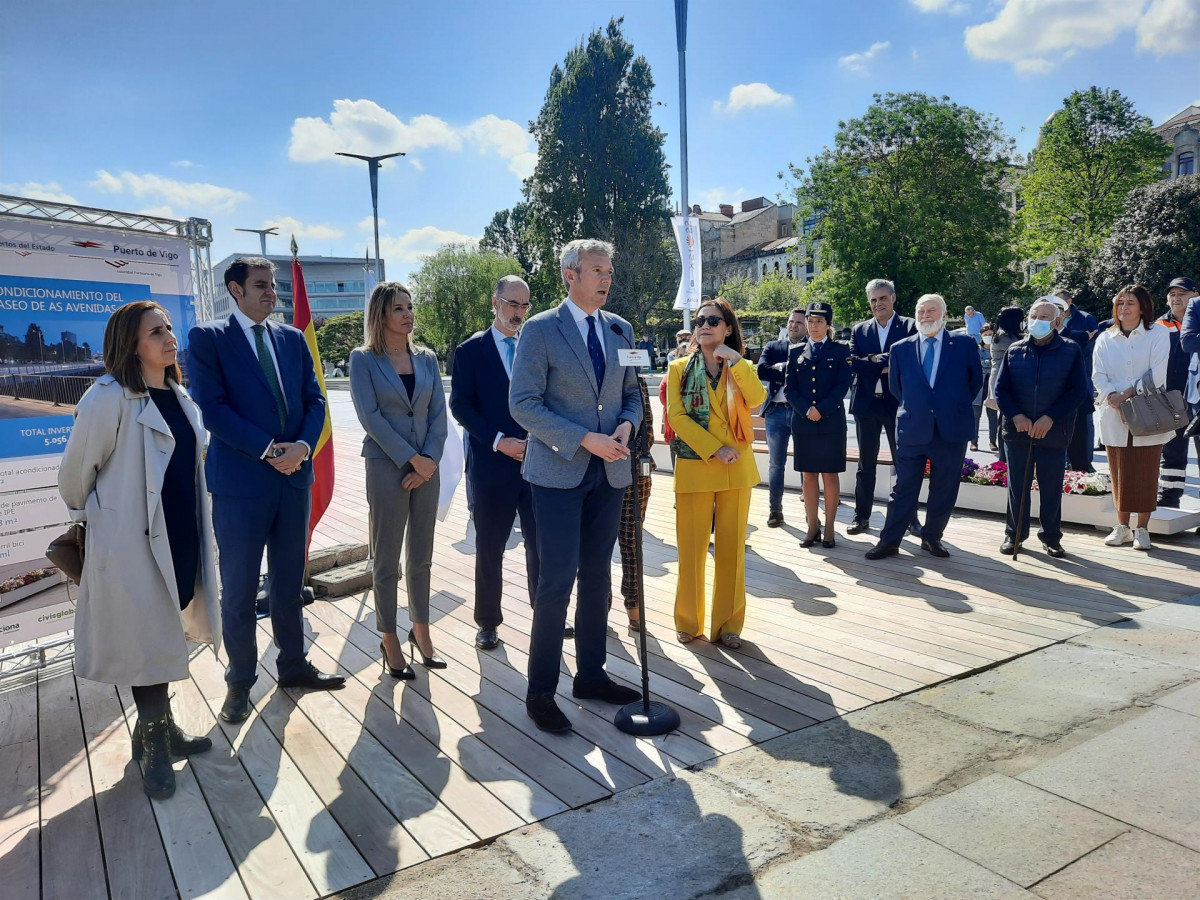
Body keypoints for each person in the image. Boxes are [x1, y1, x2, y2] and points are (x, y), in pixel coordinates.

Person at [59, 301, 220, 798]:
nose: (169, 337)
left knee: (163, 630)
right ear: (132, 344)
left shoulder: (180, 396)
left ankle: (160, 727)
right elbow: (74, 477)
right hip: (130, 539)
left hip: (181, 531)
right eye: (156, 331)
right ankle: (154, 742)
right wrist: (104, 522)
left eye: (169, 328)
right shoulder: (108, 397)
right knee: (143, 638)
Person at [189, 257, 343, 725]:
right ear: (235, 289)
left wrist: (300, 447)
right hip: (241, 485)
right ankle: (240, 681)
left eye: (273, 285)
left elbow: (315, 399)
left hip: (294, 479)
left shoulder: (292, 340)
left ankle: (293, 665)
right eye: (260, 285)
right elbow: (211, 408)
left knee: (288, 583)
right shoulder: (208, 339)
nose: (271, 292)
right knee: (238, 588)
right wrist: (268, 449)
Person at [509, 238, 643, 733]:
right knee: (555, 582)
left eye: (609, 270)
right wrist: (584, 438)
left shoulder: (620, 329)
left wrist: (627, 426)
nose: (606, 278)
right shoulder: (541, 330)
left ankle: (590, 675)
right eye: (596, 270)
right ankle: (540, 690)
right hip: (558, 474)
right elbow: (523, 404)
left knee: (598, 579)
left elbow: (631, 395)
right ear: (570, 274)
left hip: (609, 474)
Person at [350, 281, 448, 676]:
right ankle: (389, 637)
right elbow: (370, 417)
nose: (408, 314)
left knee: (421, 557)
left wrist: (429, 460)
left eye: (410, 306)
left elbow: (440, 416)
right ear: (381, 315)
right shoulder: (363, 359)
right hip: (386, 466)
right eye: (398, 309)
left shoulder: (427, 358)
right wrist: (411, 460)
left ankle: (421, 631)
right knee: (387, 559)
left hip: (428, 468)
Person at [667, 297, 767, 647]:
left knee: (732, 551)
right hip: (697, 467)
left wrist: (738, 361)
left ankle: (729, 625)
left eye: (713, 320)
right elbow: (676, 417)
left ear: (727, 327)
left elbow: (756, 399)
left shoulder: (741, 366)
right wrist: (714, 448)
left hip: (736, 471)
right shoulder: (678, 368)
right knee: (691, 550)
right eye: (699, 321)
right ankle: (687, 622)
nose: (704, 325)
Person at [449, 276, 539, 651]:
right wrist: (500, 442)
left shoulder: (536, 346)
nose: (518, 313)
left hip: (538, 465)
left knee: (542, 546)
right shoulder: (471, 350)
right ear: (495, 303)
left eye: (525, 305)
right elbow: (460, 406)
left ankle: (546, 613)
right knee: (490, 548)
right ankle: (487, 622)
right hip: (492, 466)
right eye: (512, 304)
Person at [866, 294, 983, 560]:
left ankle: (932, 538)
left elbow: (974, 383)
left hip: (950, 429)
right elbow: (897, 389)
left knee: (944, 488)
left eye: (932, 311)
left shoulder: (963, 345)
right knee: (903, 489)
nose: (926, 316)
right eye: (921, 311)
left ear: (943, 314)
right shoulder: (901, 348)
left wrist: (947, 406)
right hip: (913, 428)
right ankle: (890, 541)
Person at [994, 298, 1090, 558]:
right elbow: (1001, 389)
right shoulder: (1014, 349)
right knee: (1017, 487)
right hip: (1018, 432)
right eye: (1034, 315)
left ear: (1058, 321)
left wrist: (1050, 417)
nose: (1038, 321)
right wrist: (1016, 416)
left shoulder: (1070, 350)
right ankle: (1014, 535)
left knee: (1050, 487)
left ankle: (1051, 537)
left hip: (1053, 431)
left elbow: (1077, 391)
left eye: (1045, 316)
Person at [1093, 285, 1173, 551]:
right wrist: (1112, 397)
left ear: (1142, 307)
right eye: (1119, 303)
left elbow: (1157, 374)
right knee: (1118, 469)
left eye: (1130, 303)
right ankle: (1122, 527)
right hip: (1113, 412)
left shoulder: (1157, 333)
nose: (1124, 308)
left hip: (1147, 411)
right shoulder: (1106, 337)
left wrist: (1127, 396)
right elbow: (1098, 374)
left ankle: (1142, 528)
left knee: (1146, 469)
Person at [847, 279, 917, 535]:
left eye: (883, 298)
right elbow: (853, 363)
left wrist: (872, 361)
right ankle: (861, 516)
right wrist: (884, 362)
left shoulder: (910, 326)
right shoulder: (859, 330)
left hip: (897, 404)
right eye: (874, 300)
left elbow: (906, 359)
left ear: (893, 298)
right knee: (866, 464)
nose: (878, 304)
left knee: (904, 463)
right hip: (867, 404)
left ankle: (909, 518)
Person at [785, 302, 853, 548]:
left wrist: (820, 410)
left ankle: (830, 527)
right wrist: (806, 409)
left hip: (831, 422)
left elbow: (842, 386)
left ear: (828, 325)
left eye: (819, 322)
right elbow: (789, 388)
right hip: (803, 423)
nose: (813, 326)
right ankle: (812, 526)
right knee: (808, 476)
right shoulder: (795, 352)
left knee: (829, 474)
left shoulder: (840, 350)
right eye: (810, 322)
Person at [756, 307, 807, 527]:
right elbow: (762, 371)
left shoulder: (811, 348)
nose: (793, 325)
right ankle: (775, 510)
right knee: (776, 464)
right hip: (776, 412)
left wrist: (782, 367)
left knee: (808, 462)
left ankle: (810, 511)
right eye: (790, 321)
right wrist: (791, 367)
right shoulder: (773, 346)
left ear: (806, 325)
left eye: (798, 322)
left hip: (800, 412)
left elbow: (809, 374)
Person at [615, 375, 655, 630]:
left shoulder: (634, 380)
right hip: (590, 469)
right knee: (592, 547)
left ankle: (634, 607)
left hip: (633, 469)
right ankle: (598, 606)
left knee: (632, 542)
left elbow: (648, 428)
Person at [1156, 278, 1195, 507]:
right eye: (1172, 294)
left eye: (1183, 293)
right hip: (1171, 398)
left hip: (1197, 397)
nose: (1177, 298)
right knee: (1172, 451)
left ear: (1195, 295)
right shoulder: (1159, 326)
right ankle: (1168, 500)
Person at [1058, 289, 1099, 473]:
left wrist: (1072, 339)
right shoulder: (1052, 316)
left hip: (1083, 372)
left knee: (1084, 417)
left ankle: (1085, 461)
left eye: (1061, 301)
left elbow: (1091, 342)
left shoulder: (1085, 317)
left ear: (1069, 300)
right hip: (1059, 374)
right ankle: (1064, 459)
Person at [985, 306, 1024, 463]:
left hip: (1006, 380)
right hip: (1002, 381)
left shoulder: (1008, 335)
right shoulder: (1004, 338)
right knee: (1005, 420)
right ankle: (1003, 457)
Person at [980, 324, 998, 452]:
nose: (988, 337)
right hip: (978, 386)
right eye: (985, 335)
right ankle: (974, 441)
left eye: (990, 334)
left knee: (992, 416)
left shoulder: (997, 349)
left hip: (991, 387)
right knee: (975, 416)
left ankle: (992, 441)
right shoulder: (975, 349)